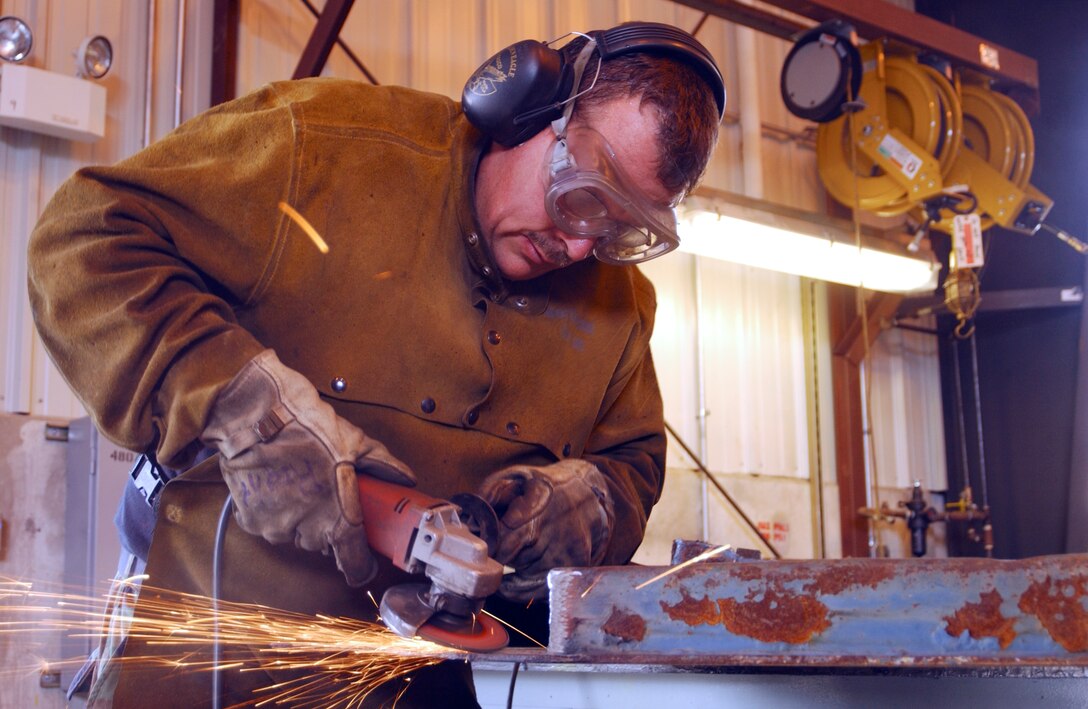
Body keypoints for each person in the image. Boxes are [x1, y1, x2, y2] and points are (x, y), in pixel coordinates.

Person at [27, 20, 723, 709]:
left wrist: (587, 503)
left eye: (618, 230)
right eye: (582, 200)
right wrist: (240, 409)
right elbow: (85, 241)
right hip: (215, 669)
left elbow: (632, 463)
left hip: (422, 685)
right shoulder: (323, 150)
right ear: (529, 108)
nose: (578, 247)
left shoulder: (619, 308)